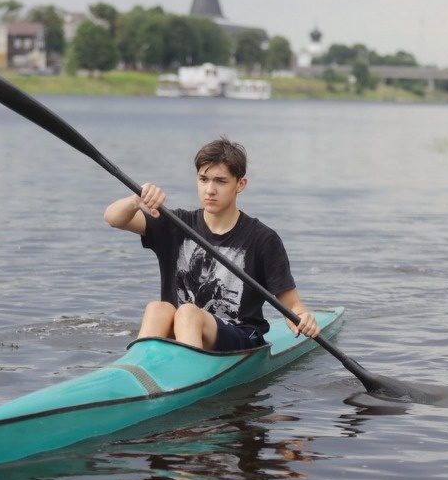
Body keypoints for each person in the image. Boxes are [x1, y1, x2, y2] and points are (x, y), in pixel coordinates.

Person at [103, 137, 320, 351]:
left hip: (240, 336)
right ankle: (141, 370)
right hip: (182, 330)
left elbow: (291, 305)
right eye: (203, 179)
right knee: (157, 308)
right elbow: (113, 218)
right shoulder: (177, 224)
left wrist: (302, 317)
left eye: (221, 181)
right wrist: (135, 201)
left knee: (188, 312)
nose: (210, 190)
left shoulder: (263, 239)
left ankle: (189, 377)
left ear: (240, 184)